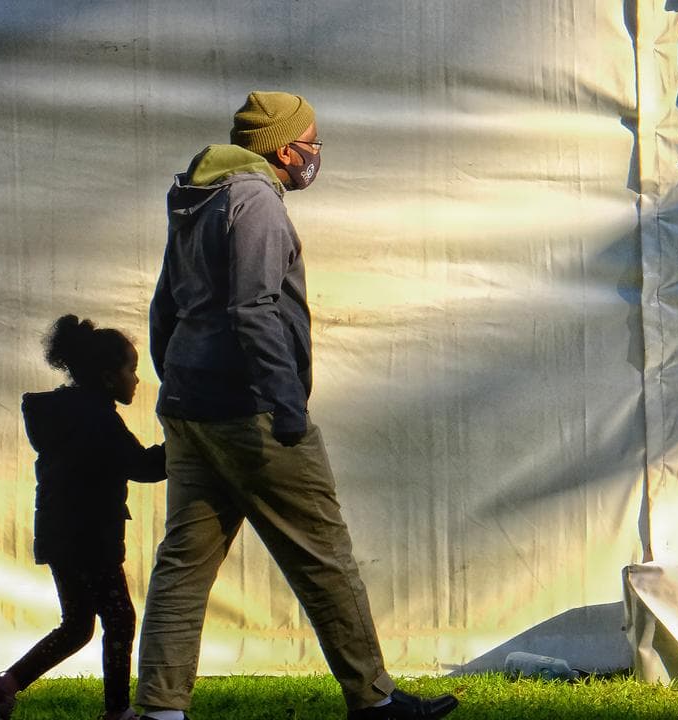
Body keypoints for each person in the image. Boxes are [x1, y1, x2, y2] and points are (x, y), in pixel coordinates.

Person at [134, 91, 459, 720]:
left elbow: (163, 309)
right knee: (324, 555)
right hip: (248, 411)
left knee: (183, 563)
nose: (316, 153)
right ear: (286, 148)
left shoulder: (198, 200)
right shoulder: (255, 203)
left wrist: (174, 383)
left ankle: (160, 711)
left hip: (190, 408)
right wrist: (286, 406)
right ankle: (375, 701)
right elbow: (252, 309)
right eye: (311, 141)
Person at [0, 314, 167, 720]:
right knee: (119, 618)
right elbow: (142, 466)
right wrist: (188, 443)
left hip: (61, 536)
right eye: (131, 370)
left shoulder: (65, 413)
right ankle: (117, 712)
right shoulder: (97, 419)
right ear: (107, 376)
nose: (136, 379)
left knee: (79, 625)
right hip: (89, 538)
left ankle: (3, 686)